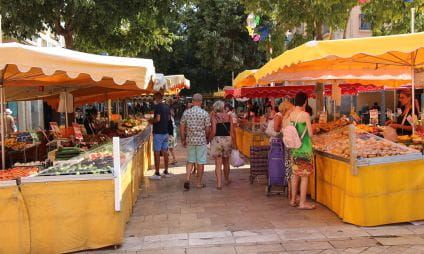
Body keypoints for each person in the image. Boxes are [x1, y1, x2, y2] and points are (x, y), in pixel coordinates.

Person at [288, 92, 315, 210]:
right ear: (305, 101)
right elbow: (310, 133)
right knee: (304, 177)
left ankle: (293, 200)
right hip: (304, 149)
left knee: (295, 175)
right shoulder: (305, 115)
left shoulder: (291, 114)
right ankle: (302, 203)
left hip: (294, 149)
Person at [180, 93, 211, 190]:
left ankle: (188, 179)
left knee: (190, 160)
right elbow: (208, 128)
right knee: (200, 162)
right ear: (201, 102)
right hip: (201, 141)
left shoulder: (186, 113)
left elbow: (181, 127)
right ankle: (198, 183)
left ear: (193, 101)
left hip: (190, 140)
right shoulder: (205, 113)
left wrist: (183, 139)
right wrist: (206, 137)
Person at [209, 100, 235, 190]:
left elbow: (213, 131)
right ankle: (227, 180)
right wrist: (234, 143)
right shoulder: (229, 116)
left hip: (217, 140)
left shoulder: (214, 117)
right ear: (223, 107)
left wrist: (209, 139)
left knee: (218, 163)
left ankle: (219, 184)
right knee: (226, 162)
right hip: (227, 140)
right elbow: (232, 131)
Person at [273, 101, 295, 203]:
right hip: (291, 145)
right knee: (292, 169)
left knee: (288, 169)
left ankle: (291, 193)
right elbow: (276, 129)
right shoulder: (287, 118)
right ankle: (293, 195)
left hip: (287, 145)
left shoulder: (285, 118)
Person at [149, 93, 171, 180]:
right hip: (165, 132)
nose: (154, 99)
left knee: (157, 153)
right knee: (165, 152)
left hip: (158, 132)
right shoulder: (166, 106)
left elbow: (157, 119)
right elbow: (169, 118)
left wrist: (151, 121)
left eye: (155, 98)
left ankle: (157, 173)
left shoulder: (158, 107)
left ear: (157, 98)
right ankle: (166, 171)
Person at [167, 99, 178, 165]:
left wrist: (169, 134)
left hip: (170, 134)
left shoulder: (169, 118)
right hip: (172, 134)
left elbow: (170, 127)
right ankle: (173, 159)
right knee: (170, 148)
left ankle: (172, 159)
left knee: (169, 147)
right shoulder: (171, 118)